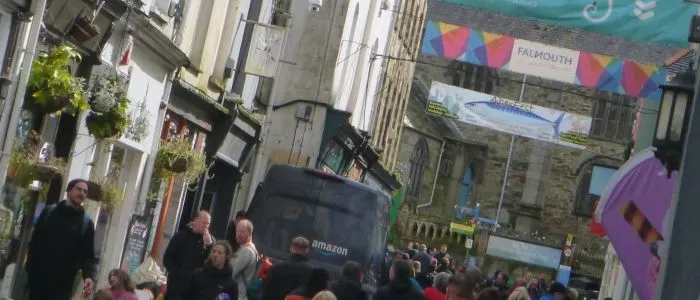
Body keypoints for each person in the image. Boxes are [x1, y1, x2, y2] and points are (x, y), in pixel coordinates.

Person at [27, 178, 97, 300]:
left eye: (85, 192)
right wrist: (30, 268)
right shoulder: (49, 212)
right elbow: (35, 242)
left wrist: (89, 276)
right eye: (78, 189)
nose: (82, 193)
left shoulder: (86, 223)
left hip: (62, 286)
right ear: (68, 191)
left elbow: (87, 255)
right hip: (38, 280)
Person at [163, 211, 215, 300]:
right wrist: (177, 274)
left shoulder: (210, 241)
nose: (206, 226)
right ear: (195, 221)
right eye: (203, 222)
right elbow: (167, 258)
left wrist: (209, 245)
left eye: (208, 223)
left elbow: (212, 262)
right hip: (177, 287)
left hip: (197, 288)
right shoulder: (180, 236)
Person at [232, 219, 259, 300]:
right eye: (237, 231)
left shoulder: (246, 251)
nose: (238, 234)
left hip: (239, 295)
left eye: (242, 232)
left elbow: (232, 273)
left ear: (250, 233)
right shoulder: (252, 248)